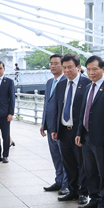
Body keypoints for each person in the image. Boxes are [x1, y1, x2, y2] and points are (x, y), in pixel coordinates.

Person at [74, 56, 104, 208]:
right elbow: (83, 112)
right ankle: (94, 199)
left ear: (103, 69)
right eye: (89, 69)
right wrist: (79, 132)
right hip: (86, 136)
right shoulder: (87, 87)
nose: (91, 72)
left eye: (95, 69)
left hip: (101, 138)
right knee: (90, 170)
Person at [52, 53, 92, 204]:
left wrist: (82, 131)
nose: (67, 70)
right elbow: (57, 108)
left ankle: (83, 192)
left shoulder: (87, 83)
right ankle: (72, 190)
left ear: (78, 67)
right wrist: (55, 128)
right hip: (63, 130)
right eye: (65, 67)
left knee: (82, 163)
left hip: (79, 131)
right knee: (68, 163)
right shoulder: (61, 84)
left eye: (70, 67)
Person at [42, 54, 68, 195]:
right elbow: (47, 104)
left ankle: (66, 183)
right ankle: (58, 181)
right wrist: (43, 123)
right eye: (51, 63)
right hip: (50, 125)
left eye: (56, 63)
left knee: (64, 156)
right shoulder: (49, 82)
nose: (53, 66)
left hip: (60, 127)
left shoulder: (66, 82)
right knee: (55, 155)